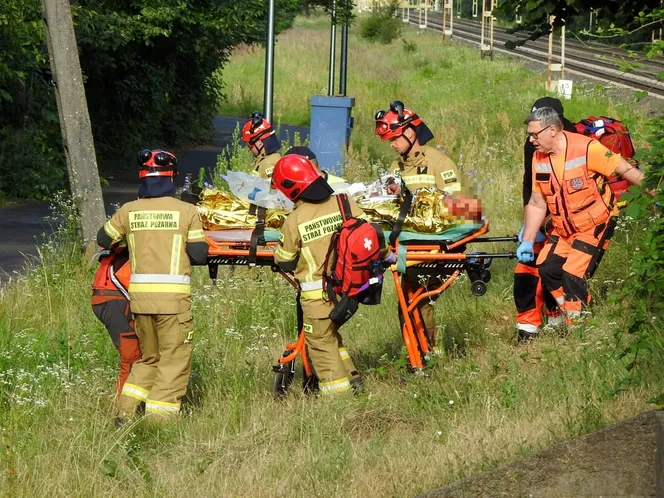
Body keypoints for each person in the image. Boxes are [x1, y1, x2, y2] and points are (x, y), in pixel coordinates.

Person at [97, 149, 209, 421]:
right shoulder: (187, 212)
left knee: (149, 359)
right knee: (174, 361)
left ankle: (124, 412)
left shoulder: (129, 211)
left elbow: (103, 238)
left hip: (140, 303)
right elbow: (199, 255)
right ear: (172, 177)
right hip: (173, 304)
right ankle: (159, 423)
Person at [517, 107, 649, 325]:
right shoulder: (538, 158)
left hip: (593, 225)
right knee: (548, 270)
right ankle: (575, 311)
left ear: (552, 130)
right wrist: (528, 241)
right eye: (529, 135)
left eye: (534, 134)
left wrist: (656, 191)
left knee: (572, 275)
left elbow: (626, 170)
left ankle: (577, 328)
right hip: (565, 230)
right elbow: (537, 203)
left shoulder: (586, 148)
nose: (531, 140)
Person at [272, 154, 367, 395]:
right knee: (331, 334)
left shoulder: (294, 220)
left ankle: (339, 399)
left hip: (319, 298)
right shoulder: (345, 203)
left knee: (321, 343)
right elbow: (369, 236)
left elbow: (284, 261)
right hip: (352, 290)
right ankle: (353, 379)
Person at [374, 100, 462, 352]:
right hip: (407, 249)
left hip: (435, 250)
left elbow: (454, 207)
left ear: (410, 133)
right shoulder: (395, 168)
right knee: (406, 302)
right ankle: (416, 352)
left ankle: (428, 353)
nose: (392, 145)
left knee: (419, 300)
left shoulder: (439, 162)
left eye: (395, 139)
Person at [514, 97, 576, 341]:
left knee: (555, 270)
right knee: (527, 270)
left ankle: (561, 319)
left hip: (570, 220)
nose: (532, 138)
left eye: (537, 131)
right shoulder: (534, 142)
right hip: (542, 212)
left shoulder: (574, 143)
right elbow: (530, 184)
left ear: (554, 126)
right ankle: (529, 327)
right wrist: (529, 226)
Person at [91, 245, 141, 396]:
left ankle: (131, 405)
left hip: (108, 293)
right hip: (115, 295)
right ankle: (123, 409)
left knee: (138, 355)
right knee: (131, 358)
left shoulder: (121, 229)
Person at [241, 112, 282, 179]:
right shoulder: (272, 158)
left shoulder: (267, 165)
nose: (248, 147)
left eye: (249, 144)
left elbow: (267, 189)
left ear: (259, 143)